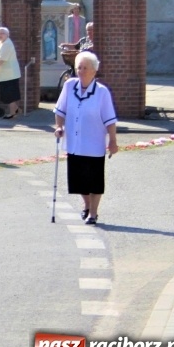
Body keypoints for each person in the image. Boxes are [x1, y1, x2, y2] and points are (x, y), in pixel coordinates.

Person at [54, 51, 118, 225]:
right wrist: (59, 126)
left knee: (94, 181)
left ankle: (93, 213)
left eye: (85, 68)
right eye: (78, 67)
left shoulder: (102, 92)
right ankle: (87, 205)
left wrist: (113, 141)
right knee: (79, 181)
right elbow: (60, 110)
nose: (81, 71)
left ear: (94, 71)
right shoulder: (69, 86)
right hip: (75, 143)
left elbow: (110, 119)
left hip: (94, 144)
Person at [0, 27, 22, 119]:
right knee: (8, 95)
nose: (0, 35)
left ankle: (12, 114)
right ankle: (16, 110)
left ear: (7, 34)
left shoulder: (7, 44)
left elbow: (1, 59)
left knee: (10, 95)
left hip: (10, 74)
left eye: (2, 33)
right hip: (5, 74)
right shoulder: (1, 43)